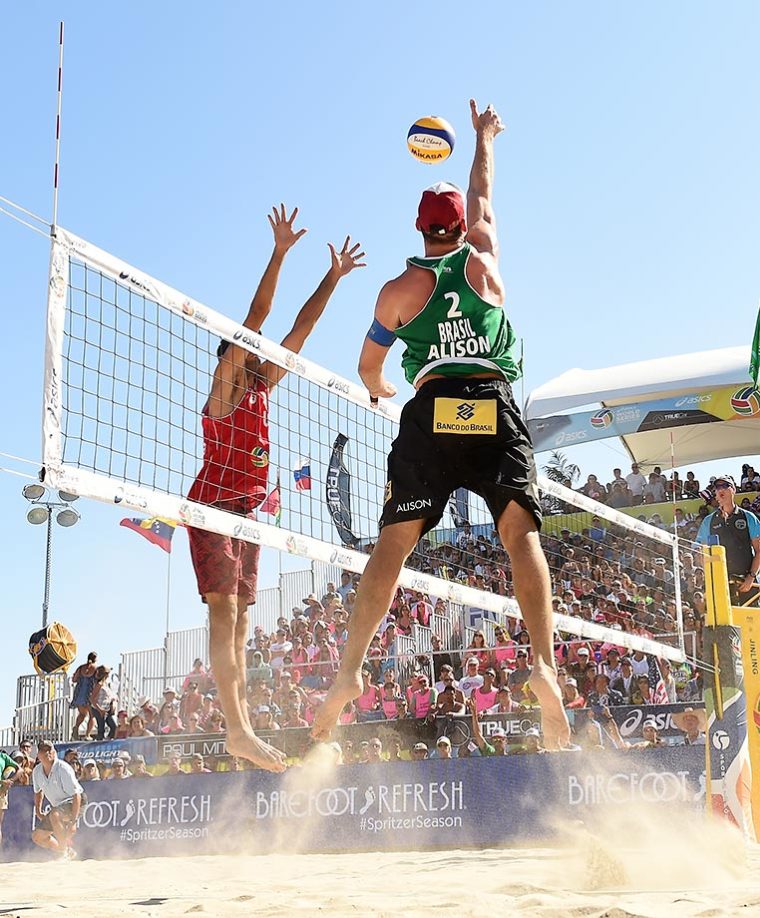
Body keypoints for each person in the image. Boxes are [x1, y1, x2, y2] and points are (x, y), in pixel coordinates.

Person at [311, 100, 569, 750]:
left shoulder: (396, 292)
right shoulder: (484, 261)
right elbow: (483, 194)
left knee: (392, 547)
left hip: (430, 409)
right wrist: (484, 137)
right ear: (461, 228)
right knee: (519, 534)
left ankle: (349, 671)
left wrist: (380, 388)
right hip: (489, 399)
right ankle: (543, 665)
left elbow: (369, 367)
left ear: (418, 229)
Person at [186, 204, 365, 772]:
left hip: (246, 511)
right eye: (250, 347)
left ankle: (242, 730)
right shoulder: (227, 385)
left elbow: (300, 331)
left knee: (242, 623)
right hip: (213, 505)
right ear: (234, 356)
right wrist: (280, 252)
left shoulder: (264, 385)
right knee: (223, 615)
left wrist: (332, 277)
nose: (262, 350)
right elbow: (259, 316)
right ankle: (236, 729)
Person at [695, 475, 760, 602]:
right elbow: (702, 553)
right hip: (721, 583)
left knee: (750, 613)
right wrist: (711, 578)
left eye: (725, 486)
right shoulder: (708, 521)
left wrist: (751, 577)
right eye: (717, 487)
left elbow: (759, 551)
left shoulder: (748, 517)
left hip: (745, 581)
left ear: (733, 490)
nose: (721, 490)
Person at [31, 742, 84, 859]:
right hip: (59, 806)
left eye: (49, 750)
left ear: (54, 752)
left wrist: (74, 822)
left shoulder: (63, 768)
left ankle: (62, 853)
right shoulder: (36, 772)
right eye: (43, 750)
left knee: (54, 815)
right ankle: (66, 850)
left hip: (75, 800)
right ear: (38, 755)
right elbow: (38, 791)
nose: (47, 753)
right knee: (37, 837)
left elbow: (76, 795)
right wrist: (38, 811)